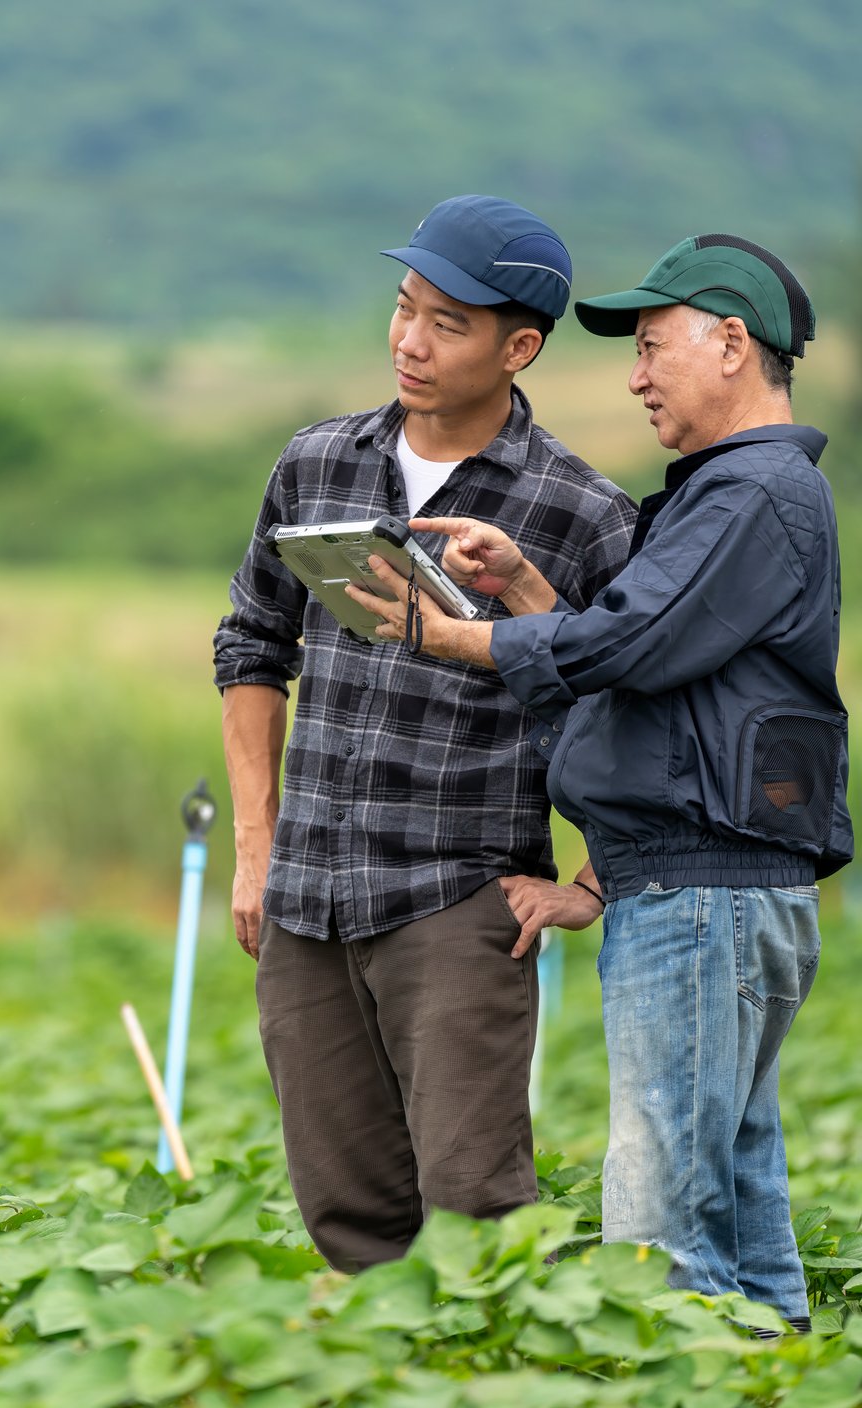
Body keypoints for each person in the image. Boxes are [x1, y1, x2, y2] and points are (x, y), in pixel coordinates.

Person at [349, 232, 852, 1326]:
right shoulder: (734, 494)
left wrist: (450, 637)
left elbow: (622, 647)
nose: (634, 374)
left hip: (705, 896)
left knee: (662, 1221)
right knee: (739, 1200)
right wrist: (526, 583)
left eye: (651, 344)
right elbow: (652, 676)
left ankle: (683, 1381)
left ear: (731, 343)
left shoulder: (752, 495)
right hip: (709, 887)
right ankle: (773, 1374)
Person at [212, 194, 636, 1272]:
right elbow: (252, 645)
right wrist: (256, 849)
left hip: (455, 904)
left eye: (447, 322)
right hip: (305, 901)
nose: (409, 340)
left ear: (519, 346)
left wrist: (595, 879)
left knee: (472, 1212)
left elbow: (641, 705)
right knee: (345, 1212)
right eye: (405, 308)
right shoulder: (316, 464)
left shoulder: (580, 512)